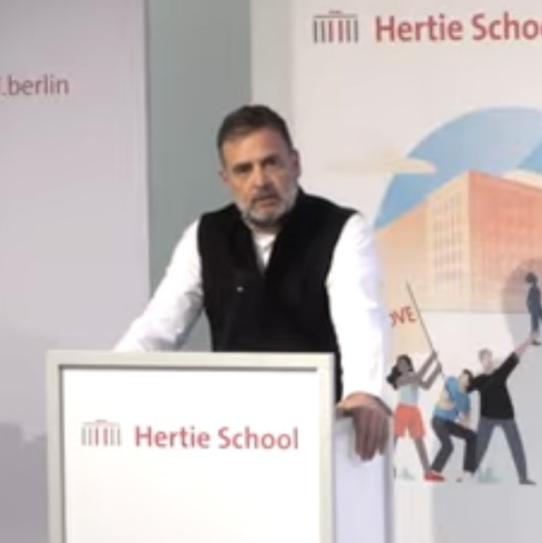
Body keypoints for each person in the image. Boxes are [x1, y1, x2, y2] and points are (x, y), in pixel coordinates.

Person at [114, 104, 390, 461]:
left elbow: (359, 318)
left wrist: (363, 391)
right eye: (243, 170)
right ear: (226, 179)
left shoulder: (342, 229)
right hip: (231, 438)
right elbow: (157, 327)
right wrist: (103, 383)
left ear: (295, 163)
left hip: (319, 439)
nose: (260, 181)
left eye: (271, 163)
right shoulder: (205, 235)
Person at [469, 332, 537, 485]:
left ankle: (523, 478)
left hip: (507, 417)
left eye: (490, 357)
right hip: (487, 419)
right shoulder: (478, 380)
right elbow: (462, 389)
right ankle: (469, 473)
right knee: (479, 448)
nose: (489, 360)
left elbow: (515, 355)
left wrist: (529, 340)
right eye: (486, 358)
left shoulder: (501, 373)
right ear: (481, 361)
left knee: (516, 446)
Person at [387, 352, 441, 477]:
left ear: (409, 365)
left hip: (414, 411)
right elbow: (420, 375)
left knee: (419, 441)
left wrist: (437, 371)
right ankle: (387, 466)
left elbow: (427, 385)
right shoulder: (400, 379)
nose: (402, 366)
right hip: (402, 410)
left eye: (404, 363)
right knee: (393, 441)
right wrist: (431, 358)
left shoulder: (413, 377)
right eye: (399, 364)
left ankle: (428, 472)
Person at [425, 370, 477, 482]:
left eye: (464, 377)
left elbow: (467, 418)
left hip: (449, 423)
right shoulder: (451, 382)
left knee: (472, 436)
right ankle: (433, 472)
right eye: (461, 374)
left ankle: (468, 471)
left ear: (468, 383)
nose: (460, 377)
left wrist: (465, 421)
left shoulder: (466, 399)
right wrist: (450, 404)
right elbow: (441, 402)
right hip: (438, 419)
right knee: (448, 446)